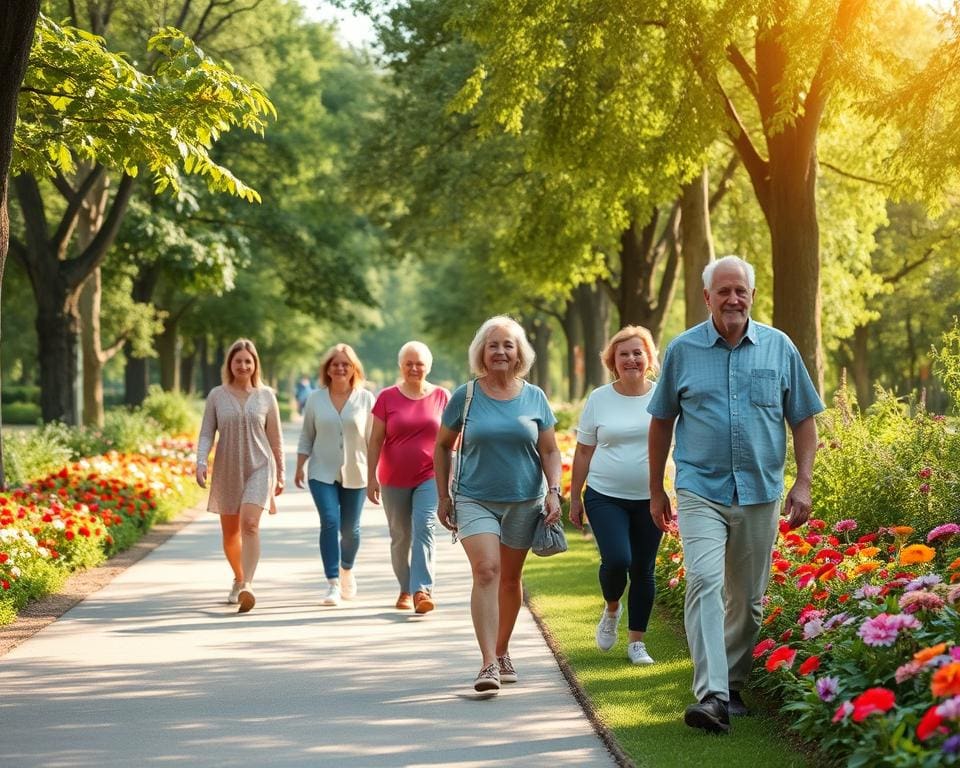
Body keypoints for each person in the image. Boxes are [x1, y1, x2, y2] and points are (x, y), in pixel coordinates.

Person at [647, 255, 824, 734]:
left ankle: (732, 681)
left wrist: (803, 481)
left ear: (751, 294)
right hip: (699, 488)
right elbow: (661, 421)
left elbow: (804, 420)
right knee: (705, 580)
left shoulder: (779, 348)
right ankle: (713, 695)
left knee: (747, 602)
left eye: (740, 290)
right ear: (707, 297)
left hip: (760, 491)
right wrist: (656, 488)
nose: (732, 299)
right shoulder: (682, 351)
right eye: (723, 291)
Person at [434, 316, 563, 693]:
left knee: (510, 579)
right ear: (482, 353)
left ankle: (503, 650)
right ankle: (488, 663)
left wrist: (554, 489)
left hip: (524, 500)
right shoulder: (466, 395)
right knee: (487, 570)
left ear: (519, 352)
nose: (501, 352)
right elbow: (442, 446)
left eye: (508, 345)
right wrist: (443, 495)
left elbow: (551, 449)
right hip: (474, 498)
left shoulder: (534, 396)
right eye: (493, 345)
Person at [569, 326, 662, 666]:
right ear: (613, 361)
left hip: (650, 498)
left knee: (644, 570)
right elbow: (582, 451)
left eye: (638, 353)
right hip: (604, 495)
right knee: (618, 561)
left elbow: (679, 447)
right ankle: (611, 610)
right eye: (624, 354)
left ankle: (636, 643)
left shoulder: (662, 396)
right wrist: (576, 497)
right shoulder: (599, 399)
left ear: (648, 358)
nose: (631, 359)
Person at [196, 338, 285, 614]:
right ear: (230, 364)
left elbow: (276, 438)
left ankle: (248, 584)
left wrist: (280, 472)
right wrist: (201, 461)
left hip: (259, 466)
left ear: (255, 364)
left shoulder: (266, 396)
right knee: (231, 534)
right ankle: (238, 576)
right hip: (227, 469)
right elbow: (207, 432)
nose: (243, 366)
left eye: (248, 361)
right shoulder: (217, 395)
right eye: (238, 361)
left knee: (250, 525)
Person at [367, 341, 450, 614]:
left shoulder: (442, 397)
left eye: (419, 364)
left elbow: (454, 441)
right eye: (409, 363)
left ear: (428, 366)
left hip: (430, 475)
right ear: (401, 366)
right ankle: (405, 587)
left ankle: (421, 590)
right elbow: (375, 440)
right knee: (400, 536)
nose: (414, 368)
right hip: (392, 478)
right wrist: (371, 478)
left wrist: (454, 478)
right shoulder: (386, 397)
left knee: (424, 527)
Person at [295, 343, 375, 607]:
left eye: (345, 364)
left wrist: (377, 473)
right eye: (335, 364)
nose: (340, 368)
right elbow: (307, 435)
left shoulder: (365, 399)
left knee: (350, 530)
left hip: (357, 470)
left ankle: (346, 569)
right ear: (327, 369)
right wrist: (299, 466)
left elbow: (374, 439)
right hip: (321, 471)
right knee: (329, 521)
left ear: (354, 368)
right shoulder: (315, 399)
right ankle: (332, 583)